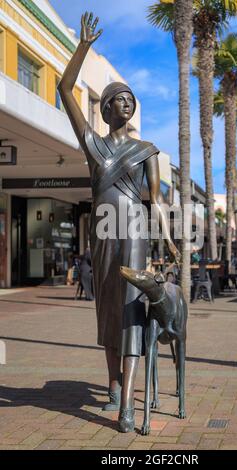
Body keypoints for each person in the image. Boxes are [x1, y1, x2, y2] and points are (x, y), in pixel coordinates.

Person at [58, 12, 180, 433]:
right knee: (108, 307)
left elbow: (157, 201)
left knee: (130, 308)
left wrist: (166, 237)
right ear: (106, 109)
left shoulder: (147, 149)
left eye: (131, 99)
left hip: (135, 234)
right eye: (118, 99)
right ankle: (112, 383)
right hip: (104, 233)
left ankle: (126, 405)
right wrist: (83, 47)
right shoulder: (92, 145)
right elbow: (63, 89)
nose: (125, 104)